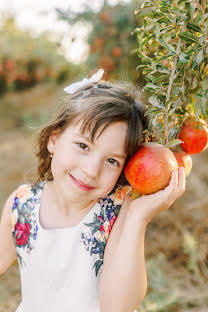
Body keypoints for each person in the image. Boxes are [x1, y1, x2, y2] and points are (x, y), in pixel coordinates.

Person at [0, 69, 186, 312]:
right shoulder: (21, 204)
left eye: (112, 161)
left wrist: (138, 218)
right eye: (83, 146)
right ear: (54, 139)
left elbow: (117, 307)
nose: (90, 170)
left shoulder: (116, 213)